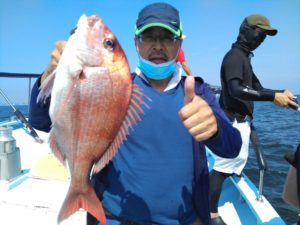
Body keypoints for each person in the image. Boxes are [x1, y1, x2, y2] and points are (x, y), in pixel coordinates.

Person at [29, 3, 242, 225]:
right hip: (113, 216)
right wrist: (51, 74)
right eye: (148, 37)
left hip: (184, 219)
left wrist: (215, 129)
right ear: (136, 43)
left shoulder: (197, 91)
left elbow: (232, 148)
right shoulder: (117, 86)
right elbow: (40, 121)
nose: (158, 45)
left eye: (167, 37)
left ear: (179, 43)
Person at [209, 14, 300, 225]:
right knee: (221, 169)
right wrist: (272, 97)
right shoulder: (234, 56)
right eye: (260, 32)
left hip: (241, 123)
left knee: (232, 165)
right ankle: (211, 213)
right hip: (231, 123)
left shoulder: (245, 58)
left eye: (265, 36)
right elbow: (235, 89)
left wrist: (281, 94)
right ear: (246, 30)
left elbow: (257, 88)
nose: (261, 38)